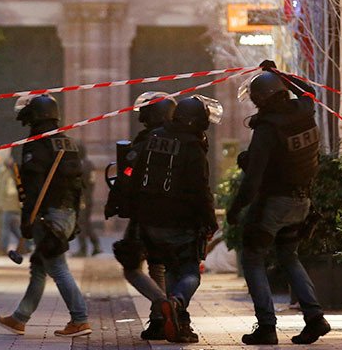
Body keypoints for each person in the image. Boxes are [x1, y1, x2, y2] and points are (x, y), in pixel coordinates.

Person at [226, 64, 330, 345]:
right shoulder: (305, 111)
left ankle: (266, 326)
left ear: (261, 99)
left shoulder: (267, 129)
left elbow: (254, 180)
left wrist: (236, 210)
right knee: (288, 256)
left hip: (274, 203)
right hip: (302, 201)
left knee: (252, 257)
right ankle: (314, 318)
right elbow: (308, 91)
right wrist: (282, 75)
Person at [0, 94, 92, 338]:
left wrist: (28, 220)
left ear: (35, 116)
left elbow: (33, 187)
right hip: (66, 212)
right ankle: (20, 318)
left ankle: (80, 319)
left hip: (47, 215)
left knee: (57, 267)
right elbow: (78, 184)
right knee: (39, 266)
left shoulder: (37, 145)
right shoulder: (68, 143)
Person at [133, 95, 220, 344]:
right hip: (180, 222)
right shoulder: (192, 146)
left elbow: (137, 174)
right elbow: (201, 190)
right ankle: (176, 302)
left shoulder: (154, 137)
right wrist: (210, 221)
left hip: (151, 220)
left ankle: (175, 320)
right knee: (191, 271)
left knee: (170, 268)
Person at [105, 91, 175, 340]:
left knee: (131, 267)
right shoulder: (183, 140)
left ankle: (163, 304)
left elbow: (127, 176)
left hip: (145, 214)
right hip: (173, 213)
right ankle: (159, 321)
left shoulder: (147, 141)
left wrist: (114, 203)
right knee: (158, 266)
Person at [75, 143, 101, 257]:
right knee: (87, 223)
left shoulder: (80, 165)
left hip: (82, 198)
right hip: (89, 196)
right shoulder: (90, 164)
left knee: (81, 223)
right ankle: (96, 245)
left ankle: (83, 249)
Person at [0, 149, 22, 255]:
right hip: (9, 203)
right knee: (14, 227)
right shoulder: (4, 170)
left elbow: (9, 189)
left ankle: (2, 249)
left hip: (9, 204)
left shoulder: (8, 171)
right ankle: (27, 244)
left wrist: (4, 201)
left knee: (5, 228)